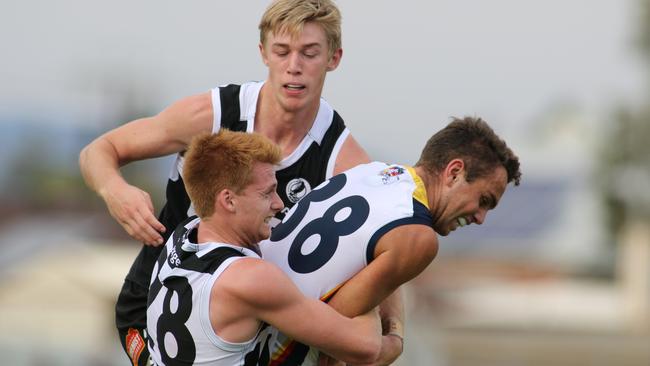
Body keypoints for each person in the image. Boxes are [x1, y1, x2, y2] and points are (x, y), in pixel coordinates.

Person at [78, 1, 404, 365]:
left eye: (309, 53)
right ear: (264, 53)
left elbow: (387, 243)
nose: (294, 66)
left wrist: (394, 327)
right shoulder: (212, 115)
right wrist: (114, 190)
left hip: (258, 321)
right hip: (156, 303)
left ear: (334, 57)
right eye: (282, 51)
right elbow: (98, 151)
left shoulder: (344, 160)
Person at [258, 116, 522, 365]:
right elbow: (335, 328)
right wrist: (393, 343)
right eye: (483, 201)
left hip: (240, 316)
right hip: (266, 350)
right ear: (454, 172)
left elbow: (379, 265)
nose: (480, 218)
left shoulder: (372, 172)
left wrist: (393, 327)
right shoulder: (419, 237)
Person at [146, 130, 382, 365]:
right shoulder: (249, 279)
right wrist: (366, 259)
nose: (279, 204)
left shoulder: (183, 233)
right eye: (267, 193)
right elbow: (366, 347)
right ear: (228, 200)